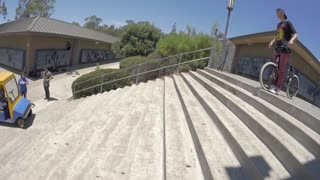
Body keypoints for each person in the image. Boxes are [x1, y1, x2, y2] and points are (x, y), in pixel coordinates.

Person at [268, 8, 298, 95]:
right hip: (277, 47)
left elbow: (296, 34)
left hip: (285, 48)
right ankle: (272, 85)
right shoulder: (278, 25)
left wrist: (291, 40)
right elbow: (278, 36)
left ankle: (277, 88)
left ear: (283, 13)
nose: (277, 14)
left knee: (281, 68)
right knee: (274, 67)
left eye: (278, 12)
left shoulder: (288, 22)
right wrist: (272, 41)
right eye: (276, 13)